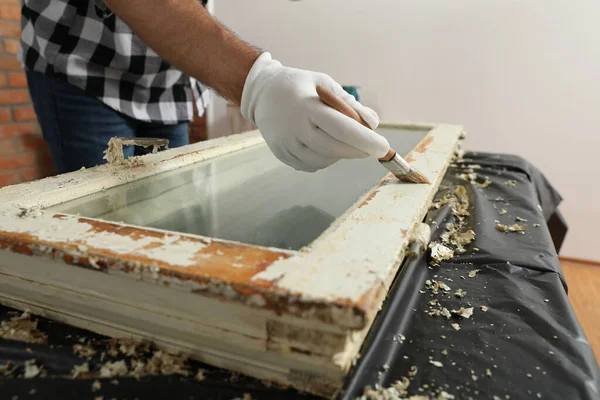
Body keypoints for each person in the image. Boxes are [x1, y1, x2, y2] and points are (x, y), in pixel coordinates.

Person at [20, 0, 391, 175]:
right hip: (82, 62)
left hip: (168, 78)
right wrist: (257, 81)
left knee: (170, 207)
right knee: (107, 221)